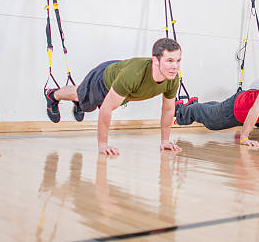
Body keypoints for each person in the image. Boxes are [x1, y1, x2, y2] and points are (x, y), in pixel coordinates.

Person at [45, 38, 183, 155]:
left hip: (121, 76)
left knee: (83, 99)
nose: (175, 66)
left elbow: (168, 110)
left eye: (178, 61)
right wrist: (103, 145)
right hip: (102, 80)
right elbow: (107, 108)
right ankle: (53, 95)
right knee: (79, 95)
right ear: (156, 60)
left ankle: (79, 102)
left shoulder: (172, 78)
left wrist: (165, 141)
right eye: (169, 60)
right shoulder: (133, 75)